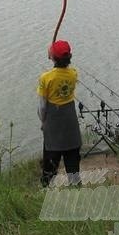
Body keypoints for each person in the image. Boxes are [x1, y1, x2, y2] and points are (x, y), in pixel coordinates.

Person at [37, 40, 82, 187]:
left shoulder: (45, 78)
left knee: (51, 159)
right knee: (72, 158)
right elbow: (63, 70)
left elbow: (42, 106)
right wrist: (53, 55)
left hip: (53, 122)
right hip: (70, 121)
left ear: (53, 57)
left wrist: (43, 122)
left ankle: (46, 186)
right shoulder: (73, 74)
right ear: (70, 56)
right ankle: (75, 186)